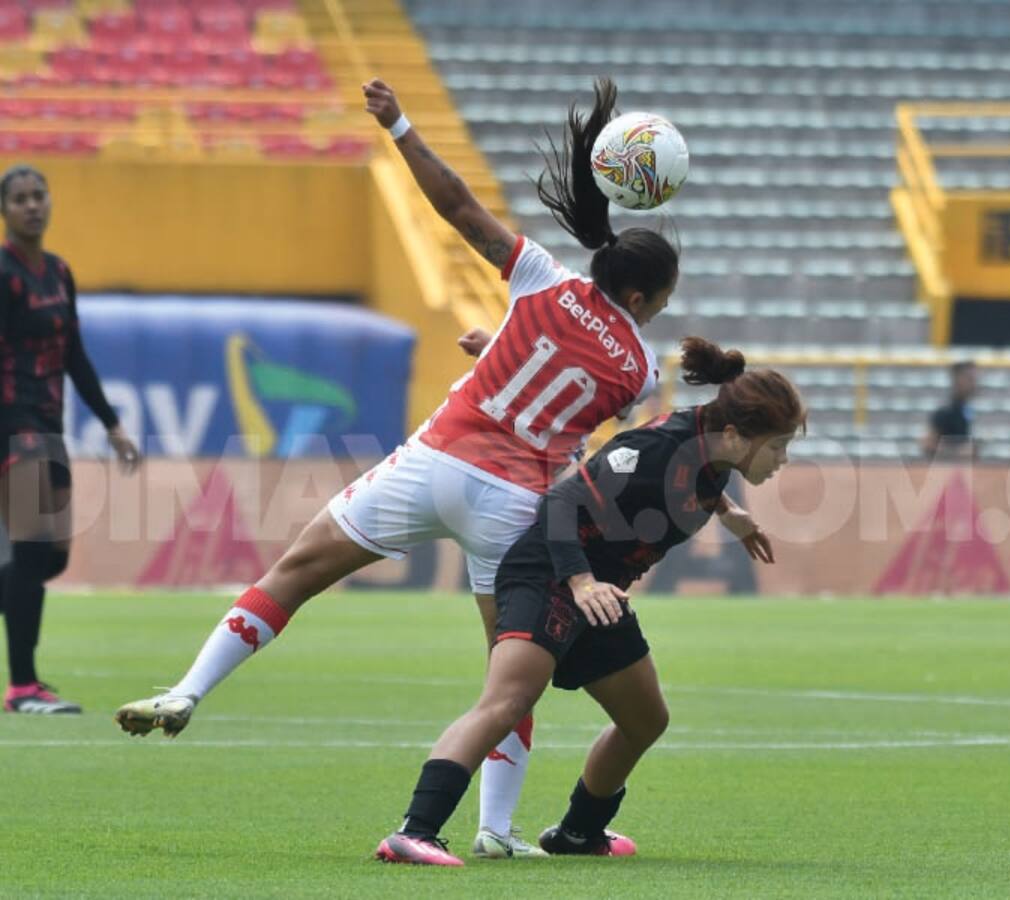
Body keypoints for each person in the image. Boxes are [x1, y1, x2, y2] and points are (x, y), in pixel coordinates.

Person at [116, 78, 768, 859]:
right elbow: (575, 398)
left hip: (432, 460)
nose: (661, 309)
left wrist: (399, 126)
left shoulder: (542, 278)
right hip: (514, 501)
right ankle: (494, 829)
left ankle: (188, 688)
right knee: (509, 675)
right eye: (660, 298)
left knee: (295, 571)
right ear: (638, 294)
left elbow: (459, 206)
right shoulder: (638, 363)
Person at [373, 337, 806, 866]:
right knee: (508, 700)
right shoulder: (653, 451)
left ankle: (579, 833)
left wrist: (729, 514)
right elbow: (561, 500)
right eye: (779, 446)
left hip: (600, 590)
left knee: (646, 719)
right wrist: (579, 582)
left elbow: (697, 479)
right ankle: (413, 833)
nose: (783, 459)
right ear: (736, 435)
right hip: (552, 574)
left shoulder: (713, 446)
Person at [0, 164, 140, 714]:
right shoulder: (4, 274)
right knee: (33, 551)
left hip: (50, 427)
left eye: (39, 196)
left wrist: (111, 423)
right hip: (14, 427)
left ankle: (25, 684)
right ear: (6, 212)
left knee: (50, 558)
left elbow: (75, 356)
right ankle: (23, 687)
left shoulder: (58, 272)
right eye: (20, 199)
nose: (32, 206)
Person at [921, 360, 978, 458]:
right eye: (970, 378)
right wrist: (957, 452)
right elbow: (928, 444)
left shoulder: (968, 409)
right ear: (957, 379)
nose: (974, 383)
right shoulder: (946, 411)